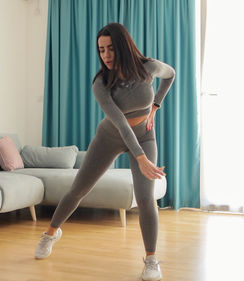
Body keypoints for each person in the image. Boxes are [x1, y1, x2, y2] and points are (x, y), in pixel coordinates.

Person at [34, 22, 175, 281]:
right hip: (110, 137)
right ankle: (50, 234)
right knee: (78, 189)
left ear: (123, 46)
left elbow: (171, 74)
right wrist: (141, 158)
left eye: (111, 48)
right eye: (101, 50)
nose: (106, 55)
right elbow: (121, 124)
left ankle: (151, 260)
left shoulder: (149, 68)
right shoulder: (101, 83)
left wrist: (156, 105)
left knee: (146, 198)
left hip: (145, 136)